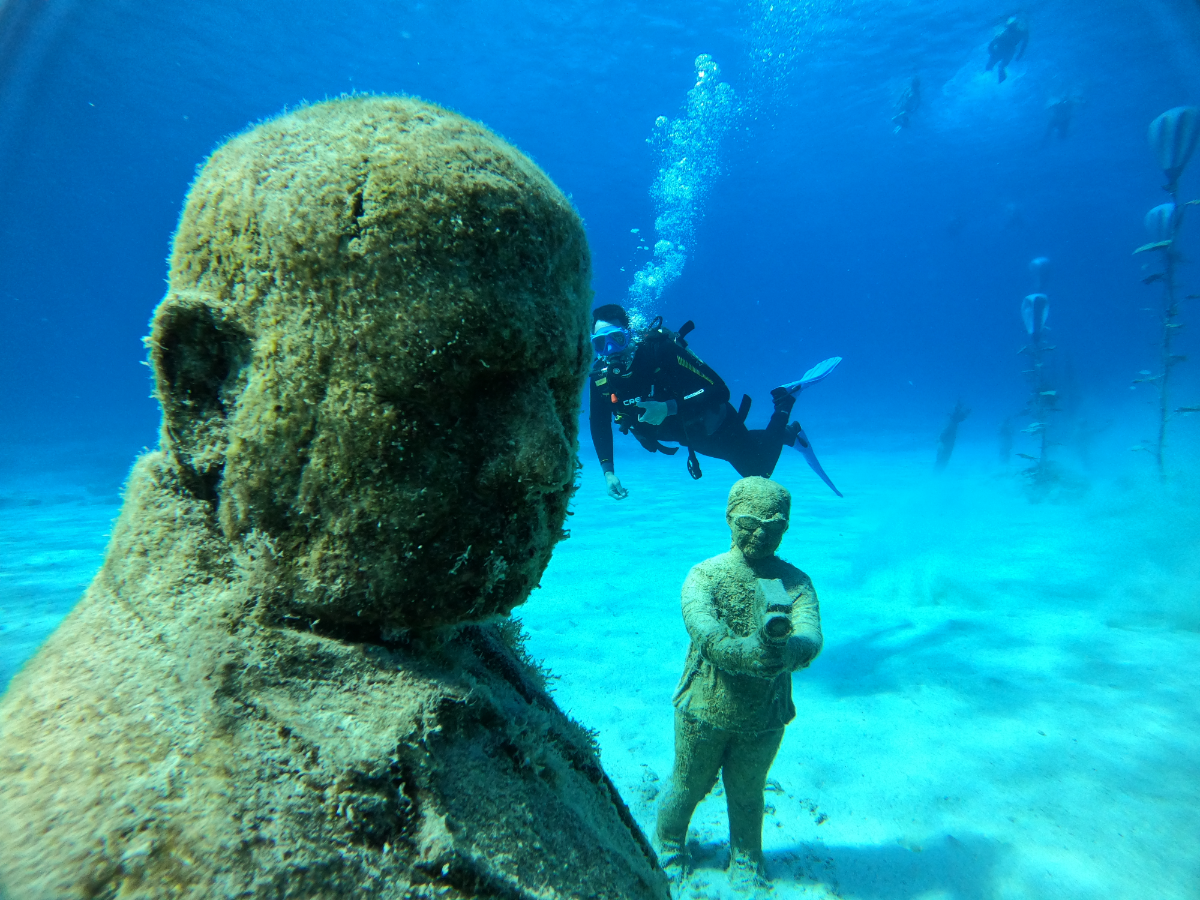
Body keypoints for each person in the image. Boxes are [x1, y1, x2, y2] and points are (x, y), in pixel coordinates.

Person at [656, 477, 822, 891]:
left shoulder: (795, 583)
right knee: (688, 783)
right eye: (750, 521)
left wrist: (788, 652)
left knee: (748, 791)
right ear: (730, 518)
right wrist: (745, 652)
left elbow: (811, 635)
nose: (762, 533)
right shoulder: (705, 575)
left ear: (786, 527)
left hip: (765, 713)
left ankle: (746, 856)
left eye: (774, 524)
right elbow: (704, 631)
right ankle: (669, 844)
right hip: (704, 705)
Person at [588, 304, 839, 499]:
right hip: (690, 435)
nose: (610, 349)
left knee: (758, 470)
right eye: (601, 343)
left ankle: (784, 403)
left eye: (617, 339)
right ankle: (787, 435)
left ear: (629, 335)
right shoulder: (601, 379)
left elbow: (719, 389)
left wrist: (668, 407)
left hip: (715, 422)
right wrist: (608, 472)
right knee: (751, 450)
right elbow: (599, 422)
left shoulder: (660, 351)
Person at [986, 16, 1029, 83]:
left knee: (998, 66)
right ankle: (996, 82)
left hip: (1005, 51)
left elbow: (990, 46)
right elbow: (991, 46)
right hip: (1006, 50)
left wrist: (1020, 54)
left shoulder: (1019, 32)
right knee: (996, 66)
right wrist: (1020, 54)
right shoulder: (1019, 32)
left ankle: (999, 83)